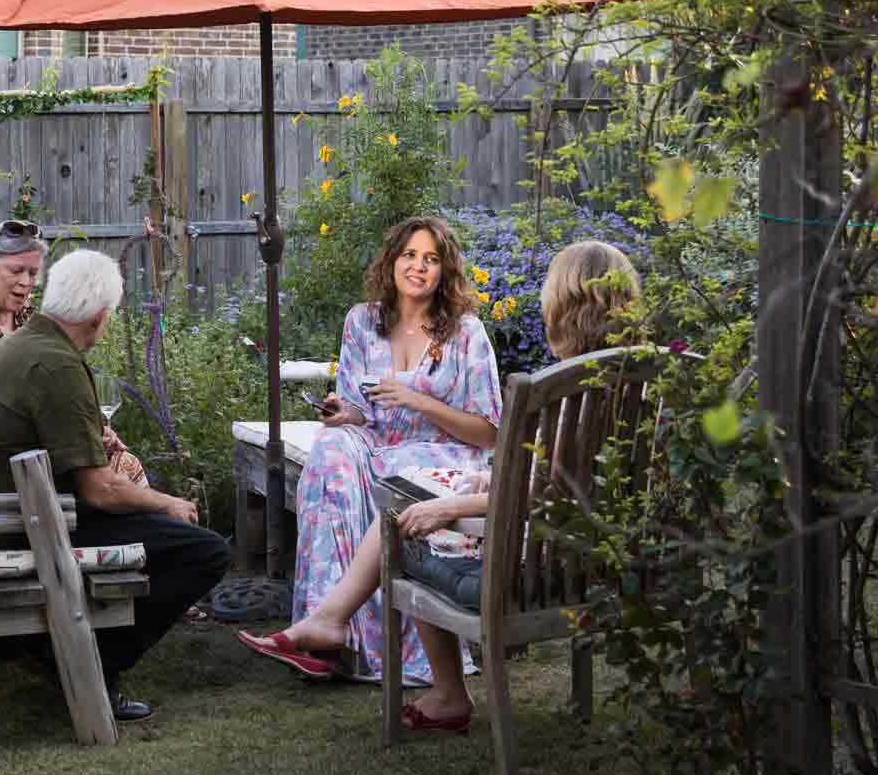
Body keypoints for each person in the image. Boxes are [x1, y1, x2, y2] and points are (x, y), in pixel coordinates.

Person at [243, 240, 643, 732]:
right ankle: (337, 624)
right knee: (419, 504)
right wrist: (483, 483)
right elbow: (558, 485)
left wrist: (447, 506)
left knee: (405, 528)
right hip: (599, 561)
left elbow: (533, 496)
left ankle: (414, 670)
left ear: (566, 305)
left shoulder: (564, 391)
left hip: (530, 574)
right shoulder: (642, 381)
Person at [0, 249, 230, 722]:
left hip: (8, 513)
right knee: (204, 550)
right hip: (30, 527)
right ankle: (94, 663)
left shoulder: (25, 344)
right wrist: (166, 502)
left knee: (154, 526)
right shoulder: (58, 365)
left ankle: (61, 649)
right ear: (101, 317)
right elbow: (100, 489)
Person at [242, 216, 502, 685]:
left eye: (431, 259)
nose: (418, 267)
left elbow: (488, 432)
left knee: (393, 470)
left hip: (444, 455)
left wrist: (418, 400)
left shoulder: (465, 332)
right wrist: (346, 415)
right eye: (409, 255)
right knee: (332, 452)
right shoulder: (362, 322)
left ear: (445, 272)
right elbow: (363, 411)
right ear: (392, 260)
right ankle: (329, 631)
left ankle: (350, 633)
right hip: (378, 448)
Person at [0, 220, 142, 492]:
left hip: (27, 452)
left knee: (124, 465)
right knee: (106, 488)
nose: (26, 282)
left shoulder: (26, 315)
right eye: (16, 270)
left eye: (33, 273)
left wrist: (93, 432)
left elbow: (51, 389)